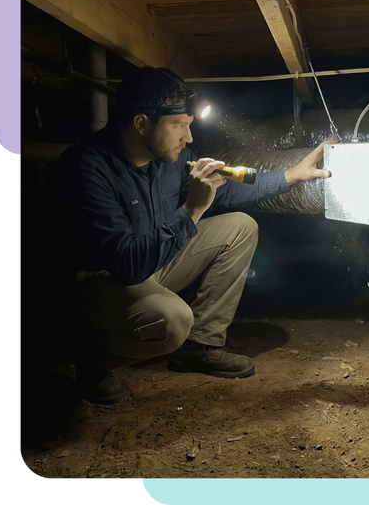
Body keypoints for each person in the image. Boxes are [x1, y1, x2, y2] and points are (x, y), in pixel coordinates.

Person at [49, 66, 330, 404]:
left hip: (150, 261)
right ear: (142, 123)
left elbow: (223, 193)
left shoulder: (170, 158)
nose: (189, 138)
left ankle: (200, 347)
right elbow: (127, 264)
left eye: (189, 126)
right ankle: (91, 360)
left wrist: (291, 175)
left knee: (240, 226)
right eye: (179, 126)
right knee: (173, 320)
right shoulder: (87, 168)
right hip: (100, 280)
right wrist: (193, 210)